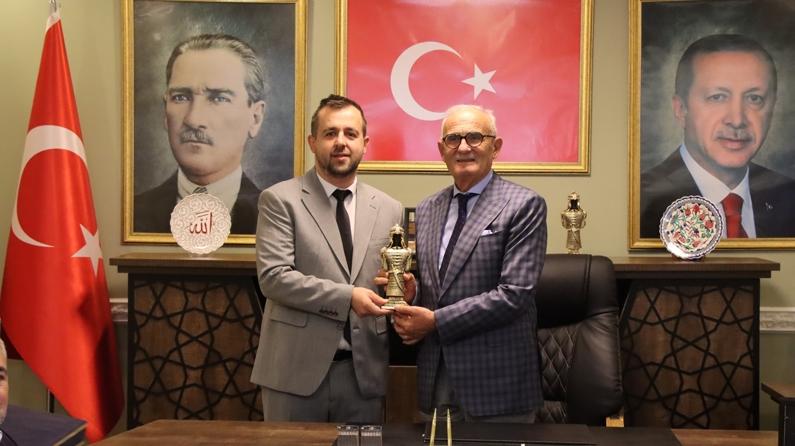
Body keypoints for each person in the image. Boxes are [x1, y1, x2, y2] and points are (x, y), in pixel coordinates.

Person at [250, 94, 402, 423]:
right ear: (313, 142)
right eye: (330, 133)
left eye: (351, 133)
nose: (341, 142)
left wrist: (405, 290)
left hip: (363, 375)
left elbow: (386, 281)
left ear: (365, 143)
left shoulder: (390, 209)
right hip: (294, 374)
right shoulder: (280, 200)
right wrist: (349, 297)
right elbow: (274, 278)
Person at [391, 105, 547, 422]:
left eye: (475, 137)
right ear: (441, 150)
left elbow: (514, 294)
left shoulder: (524, 205)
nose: (463, 147)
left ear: (496, 147)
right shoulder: (427, 209)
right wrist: (413, 294)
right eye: (453, 139)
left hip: (498, 385)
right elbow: (437, 289)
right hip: (436, 378)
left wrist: (435, 321)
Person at [640, 34, 795, 238]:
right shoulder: (641, 201)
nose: (737, 120)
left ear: (772, 108)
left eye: (754, 98)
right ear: (681, 109)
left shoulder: (789, 197)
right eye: (717, 97)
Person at [134, 33, 266, 234]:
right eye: (180, 97)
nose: (193, 120)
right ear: (165, 113)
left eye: (219, 98)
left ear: (255, 118)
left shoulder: (276, 219)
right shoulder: (134, 215)